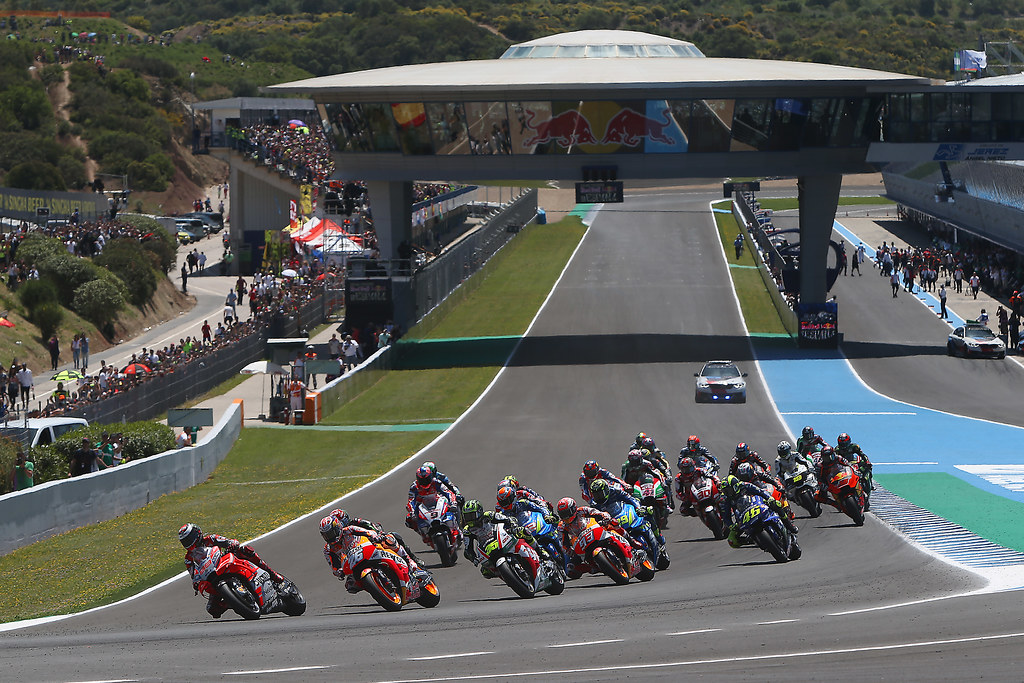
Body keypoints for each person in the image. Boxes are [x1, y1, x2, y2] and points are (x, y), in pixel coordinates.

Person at [180, 523, 287, 618]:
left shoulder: (211, 539)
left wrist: (232, 544)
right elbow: (193, 574)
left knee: (245, 550)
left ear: (197, 534)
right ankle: (234, 602)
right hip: (212, 576)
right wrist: (196, 583)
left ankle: (272, 574)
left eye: (189, 539)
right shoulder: (188, 559)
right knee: (212, 609)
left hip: (224, 562)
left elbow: (228, 541)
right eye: (185, 541)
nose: (188, 543)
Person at [320, 516, 430, 595]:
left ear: (338, 527)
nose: (330, 537)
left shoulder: (349, 529)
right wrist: (338, 571)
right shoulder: (328, 549)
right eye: (326, 535)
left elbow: (366, 531)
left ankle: (410, 561)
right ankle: (378, 589)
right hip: (351, 564)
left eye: (331, 533)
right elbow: (333, 566)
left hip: (366, 549)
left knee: (390, 539)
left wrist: (375, 535)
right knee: (350, 586)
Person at [461, 500, 550, 576]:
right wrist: (473, 558)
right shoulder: (467, 530)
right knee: (485, 572)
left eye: (472, 516)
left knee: (524, 531)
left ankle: (540, 551)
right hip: (488, 548)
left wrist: (512, 524)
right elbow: (468, 549)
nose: (470, 519)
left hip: (502, 536)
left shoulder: (488, 515)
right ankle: (508, 576)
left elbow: (505, 519)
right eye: (467, 516)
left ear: (479, 512)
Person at [588, 478, 664, 565]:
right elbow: (594, 517)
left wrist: (638, 508)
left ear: (606, 490)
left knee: (648, 512)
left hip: (624, 513)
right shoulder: (594, 504)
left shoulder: (615, 491)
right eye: (596, 494)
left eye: (600, 493)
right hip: (614, 523)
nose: (598, 497)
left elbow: (630, 498)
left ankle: (659, 537)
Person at [720, 474, 798, 544]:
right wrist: (731, 526)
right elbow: (726, 516)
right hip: (743, 517)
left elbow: (760, 491)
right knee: (731, 540)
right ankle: (752, 540)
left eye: (728, 490)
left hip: (758, 506)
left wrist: (769, 498)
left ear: (735, 486)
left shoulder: (745, 486)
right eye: (725, 491)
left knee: (776, 504)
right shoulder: (727, 499)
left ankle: (789, 525)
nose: (727, 493)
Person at [555, 497, 621, 579]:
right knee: (570, 570)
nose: (566, 516)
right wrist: (570, 551)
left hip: (595, 531)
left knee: (614, 524)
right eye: (563, 514)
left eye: (567, 513)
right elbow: (563, 543)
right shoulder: (561, 526)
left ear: (573, 509)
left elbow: (598, 513)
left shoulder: (582, 510)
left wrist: (605, 518)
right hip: (581, 543)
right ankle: (593, 567)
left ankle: (630, 540)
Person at [405, 465, 459, 540]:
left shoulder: (436, 482)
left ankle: (456, 529)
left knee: (452, 508)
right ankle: (424, 534)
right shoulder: (414, 487)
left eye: (427, 479)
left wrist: (453, 503)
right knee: (409, 520)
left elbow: (448, 492)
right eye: (422, 480)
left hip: (437, 501)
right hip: (422, 505)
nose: (425, 482)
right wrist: (412, 512)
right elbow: (411, 500)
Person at [835, 433, 873, 511]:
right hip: (844, 466)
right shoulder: (837, 450)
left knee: (868, 469)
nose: (843, 445)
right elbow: (835, 461)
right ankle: (840, 501)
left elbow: (863, 455)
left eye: (845, 443)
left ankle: (870, 485)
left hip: (854, 463)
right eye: (842, 443)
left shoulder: (854, 446)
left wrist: (867, 462)